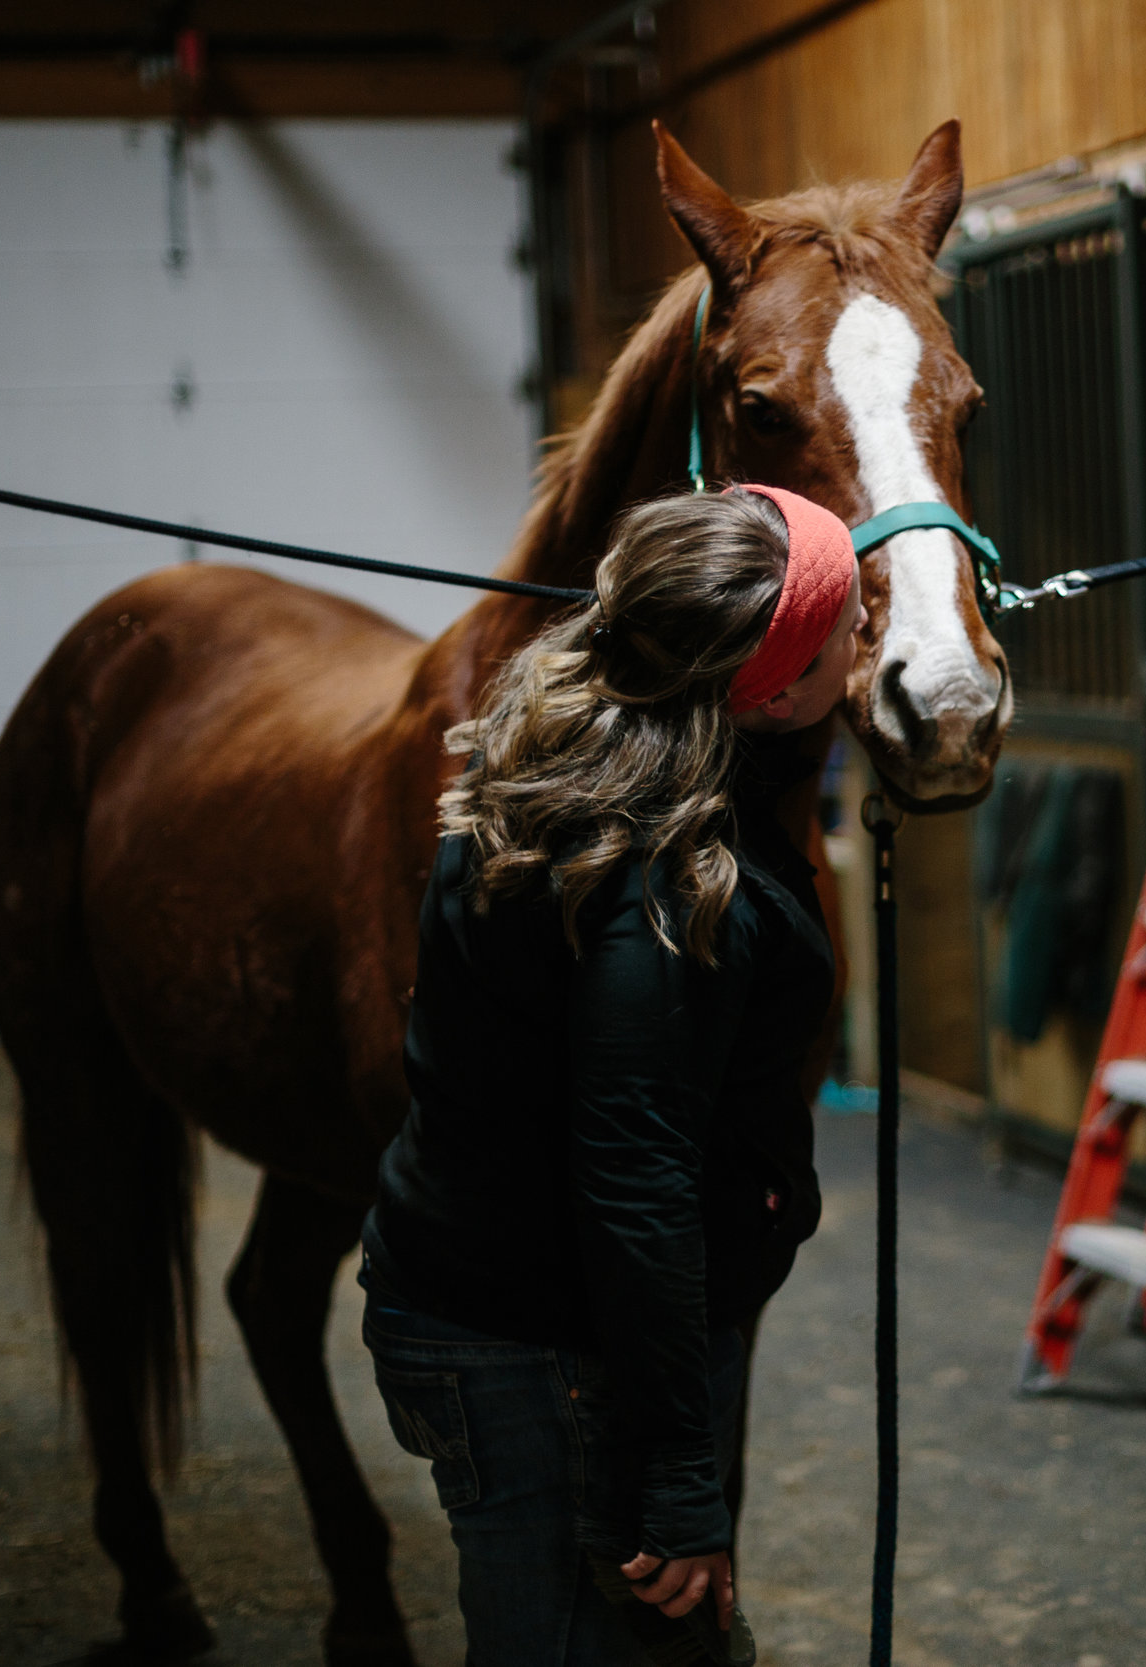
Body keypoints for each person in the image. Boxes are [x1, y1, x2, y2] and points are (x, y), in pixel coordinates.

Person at [359, 483, 864, 1666]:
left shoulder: (587, 730)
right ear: (774, 688)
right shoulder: (662, 883)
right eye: (846, 621)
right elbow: (635, 1177)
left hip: (535, 1313)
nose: (867, 634)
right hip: (546, 1353)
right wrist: (683, 1476)